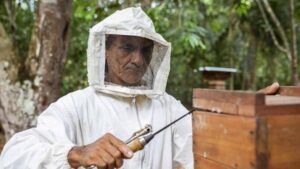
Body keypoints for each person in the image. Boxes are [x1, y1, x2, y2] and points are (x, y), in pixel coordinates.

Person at [0, 7, 279, 169]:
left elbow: (207, 141)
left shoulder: (167, 106)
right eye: (127, 47)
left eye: (145, 50)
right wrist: (76, 153)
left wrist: (245, 109)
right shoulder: (76, 105)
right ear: (105, 50)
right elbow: (13, 155)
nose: (138, 59)